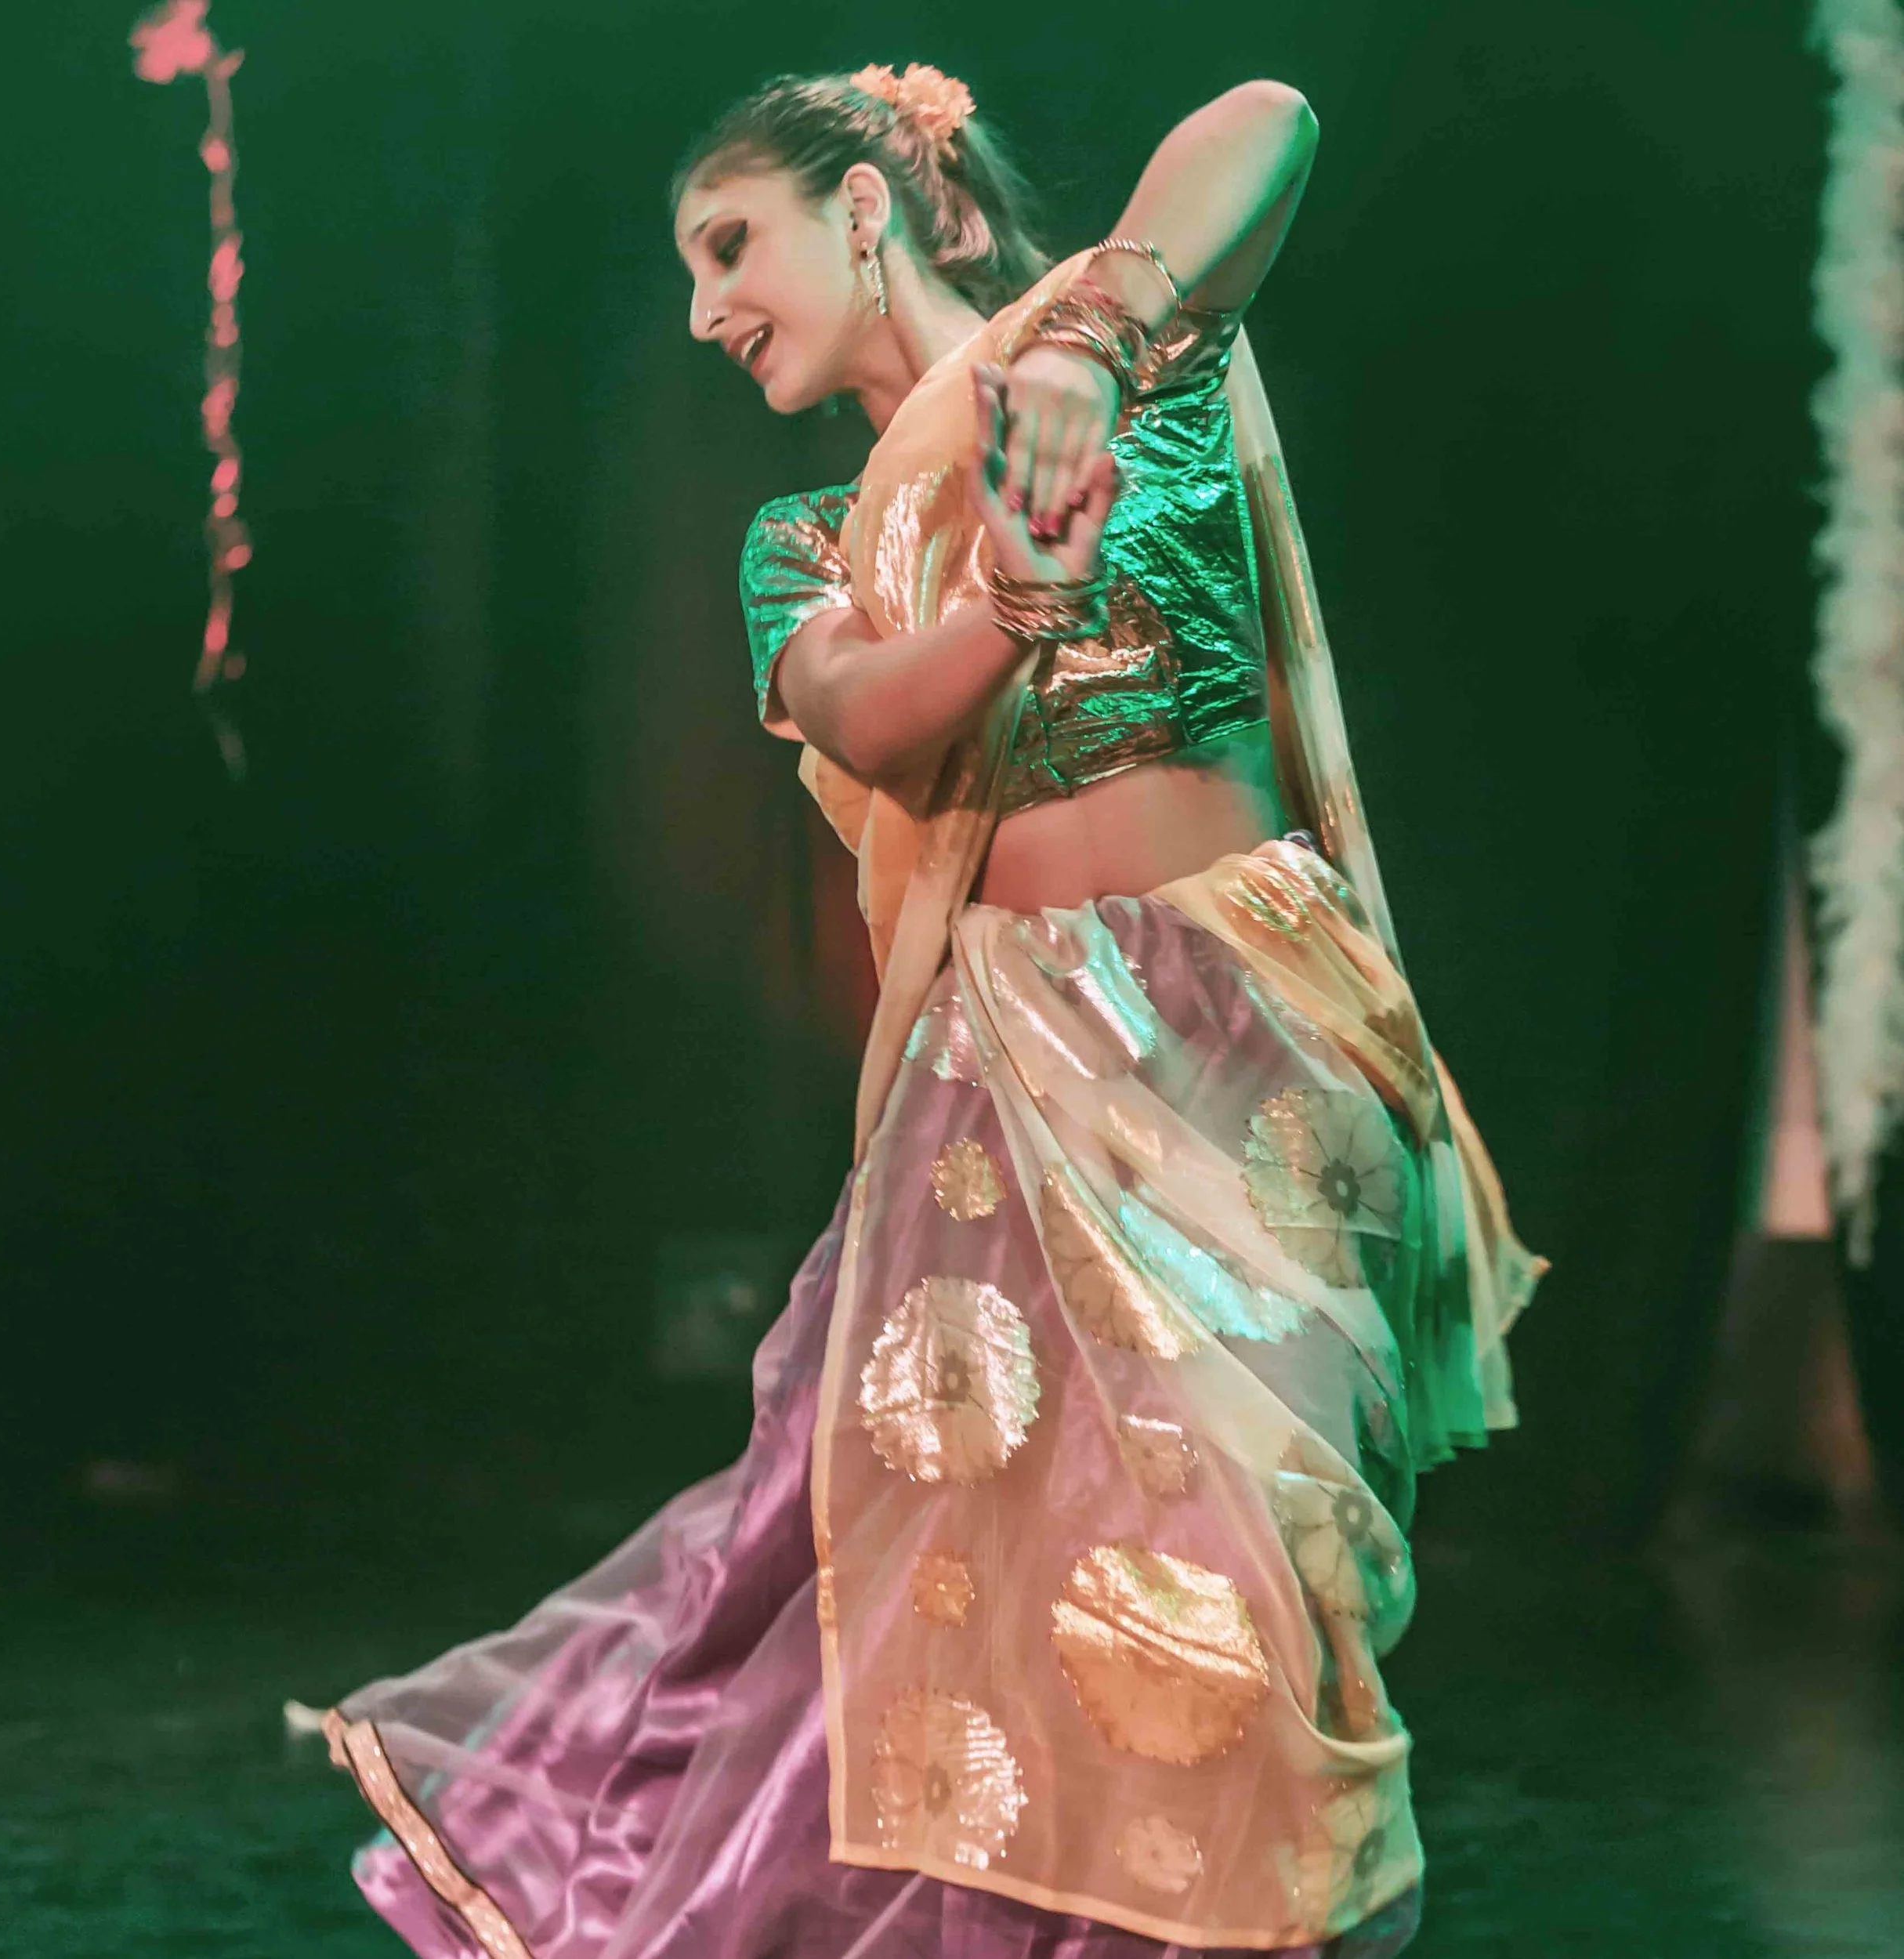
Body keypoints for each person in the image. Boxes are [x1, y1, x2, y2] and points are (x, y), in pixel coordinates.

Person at [317, 61, 1543, 1959]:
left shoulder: (1135, 351)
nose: (705, 307)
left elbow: (1270, 115)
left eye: (730, 243)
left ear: (867, 203)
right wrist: (1011, 599)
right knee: (1004, 1590)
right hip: (1006, 1072)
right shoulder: (802, 539)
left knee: (1261, 1555)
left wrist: (1091, 339)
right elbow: (863, 715)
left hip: (1250, 1031)